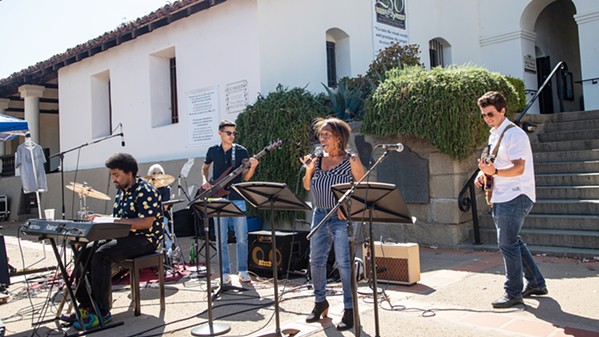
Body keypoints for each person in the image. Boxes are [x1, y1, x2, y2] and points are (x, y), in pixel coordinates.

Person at [63, 153, 164, 329]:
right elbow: (119, 218)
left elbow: (146, 222)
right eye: (112, 175)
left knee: (102, 255)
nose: (113, 179)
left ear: (130, 173)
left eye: (116, 175)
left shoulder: (145, 191)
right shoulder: (121, 192)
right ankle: (87, 307)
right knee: (82, 253)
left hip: (146, 239)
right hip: (125, 237)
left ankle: (102, 312)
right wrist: (100, 218)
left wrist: (115, 221)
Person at [475, 91, 548, 308]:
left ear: (503, 110)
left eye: (490, 114)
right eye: (484, 115)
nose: (487, 118)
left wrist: (494, 171)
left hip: (516, 194)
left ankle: (513, 292)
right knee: (512, 241)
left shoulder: (515, 135)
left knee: (507, 243)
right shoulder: (494, 134)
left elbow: (518, 167)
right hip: (502, 194)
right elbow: (492, 162)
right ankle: (536, 282)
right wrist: (484, 173)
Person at [300, 117, 365, 331]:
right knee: (316, 261)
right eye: (321, 135)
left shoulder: (351, 160)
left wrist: (347, 207)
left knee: (344, 265)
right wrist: (309, 169)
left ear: (339, 137)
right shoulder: (317, 159)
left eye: (327, 134)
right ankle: (320, 302)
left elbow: (363, 187)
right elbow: (308, 186)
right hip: (320, 214)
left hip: (340, 218)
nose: (323, 138)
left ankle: (349, 309)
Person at [201, 120, 259, 284]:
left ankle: (242, 270)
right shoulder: (213, 150)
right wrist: (204, 180)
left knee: (241, 237)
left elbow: (246, 177)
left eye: (234, 133)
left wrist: (253, 167)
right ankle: (225, 272)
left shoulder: (241, 151)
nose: (232, 136)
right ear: (220, 133)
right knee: (221, 238)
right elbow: (204, 167)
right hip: (217, 198)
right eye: (229, 133)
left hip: (237, 197)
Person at [147, 164, 173, 257]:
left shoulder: (166, 188)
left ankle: (168, 253)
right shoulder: (147, 189)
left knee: (164, 225)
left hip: (161, 215)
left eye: (160, 173)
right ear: (150, 174)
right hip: (148, 216)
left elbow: (165, 207)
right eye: (154, 173)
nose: (157, 175)